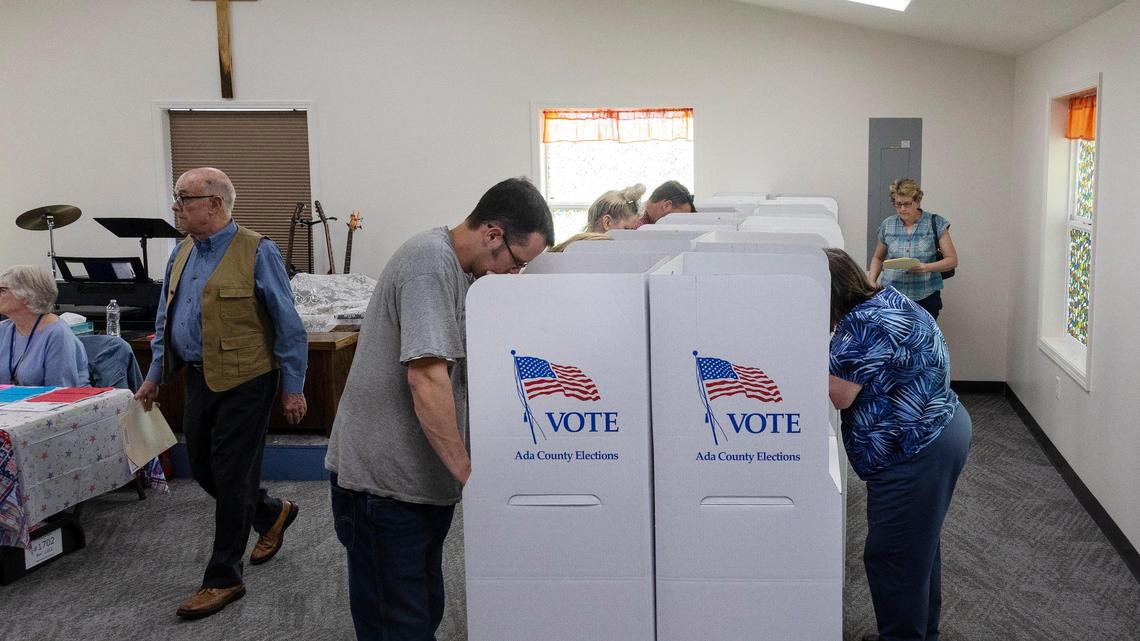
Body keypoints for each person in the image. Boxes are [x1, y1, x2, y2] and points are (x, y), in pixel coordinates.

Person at [326, 177, 553, 640]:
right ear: (493, 235)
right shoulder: (430, 263)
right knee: (398, 624)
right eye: (517, 262)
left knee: (421, 610)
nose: (515, 275)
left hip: (419, 486)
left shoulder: (464, 274)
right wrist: (470, 476)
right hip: (384, 490)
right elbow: (426, 379)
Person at [133, 167, 309, 620]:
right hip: (197, 376)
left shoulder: (258, 250)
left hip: (248, 379)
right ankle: (270, 512)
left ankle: (223, 577)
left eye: (183, 198)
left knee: (232, 476)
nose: (175, 207)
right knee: (207, 468)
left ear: (214, 203)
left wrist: (293, 387)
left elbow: (288, 324)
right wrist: (155, 374)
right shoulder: (181, 251)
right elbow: (164, 319)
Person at [825, 248, 972, 641]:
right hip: (941, 429)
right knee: (918, 550)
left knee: (894, 557)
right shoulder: (885, 298)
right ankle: (918, 634)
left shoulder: (861, 325)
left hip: (916, 450)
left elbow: (838, 394)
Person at [868, 179, 958, 320]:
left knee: (922, 340)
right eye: (898, 205)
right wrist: (871, 281)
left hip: (925, 297)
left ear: (917, 201)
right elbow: (878, 258)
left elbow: (952, 260)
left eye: (907, 204)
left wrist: (926, 267)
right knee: (893, 341)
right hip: (892, 297)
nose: (902, 209)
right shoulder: (888, 225)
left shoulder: (936, 223)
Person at [0, 264, 89, 387]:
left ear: (26, 296)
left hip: (54, 403)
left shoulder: (57, 334)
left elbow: (59, 391)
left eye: (2, 290)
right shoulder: (3, 329)